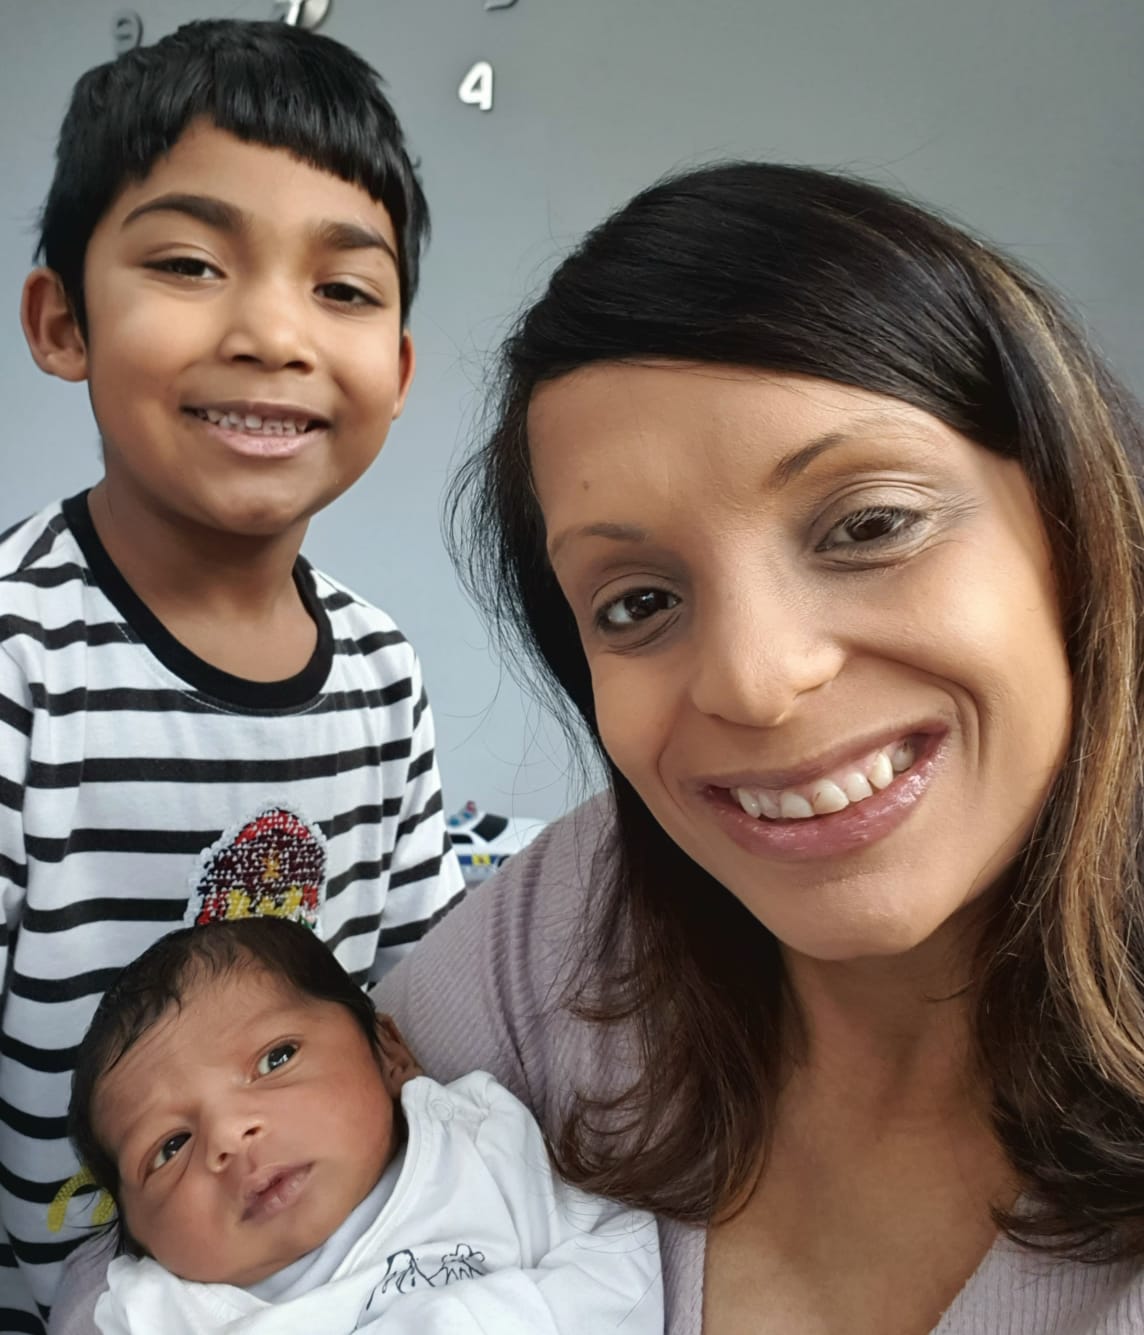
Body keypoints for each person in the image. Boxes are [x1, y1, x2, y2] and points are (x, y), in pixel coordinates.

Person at [381, 163, 1144, 1333]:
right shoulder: (573, 923)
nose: (754, 682)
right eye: (638, 603)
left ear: (1070, 524)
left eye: (868, 526)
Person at [1, 20, 464, 1331]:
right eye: (191, 264)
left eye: (344, 290)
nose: (272, 332)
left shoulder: (380, 671)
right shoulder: (19, 666)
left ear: (398, 370)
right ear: (64, 321)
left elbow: (422, 1001)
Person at [68, 917, 662, 1334]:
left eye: (275, 1060)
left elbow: (626, 1263)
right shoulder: (160, 1312)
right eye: (170, 1146)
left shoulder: (478, 1141)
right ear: (139, 1233)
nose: (228, 1135)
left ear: (389, 1052)